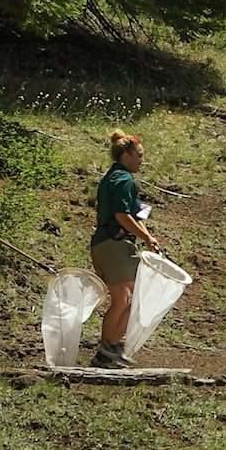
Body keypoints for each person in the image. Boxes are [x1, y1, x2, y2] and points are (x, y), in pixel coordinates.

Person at [89, 129, 161, 368]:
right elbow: (122, 215)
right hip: (114, 245)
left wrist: (146, 233)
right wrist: (147, 237)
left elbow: (135, 212)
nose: (142, 161)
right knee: (128, 298)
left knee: (124, 299)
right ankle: (109, 348)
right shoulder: (124, 179)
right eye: (139, 156)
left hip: (105, 245)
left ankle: (109, 349)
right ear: (126, 155)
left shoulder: (115, 177)